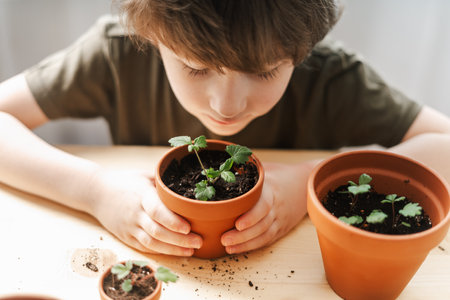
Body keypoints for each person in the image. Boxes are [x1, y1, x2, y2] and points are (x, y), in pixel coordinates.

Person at [1, 0, 449, 257]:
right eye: (196, 69)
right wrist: (95, 191)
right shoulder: (118, 55)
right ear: (153, 38)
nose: (227, 105)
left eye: (266, 71)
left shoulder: (331, 79)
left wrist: (308, 185)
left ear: (302, 49)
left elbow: (443, 144)